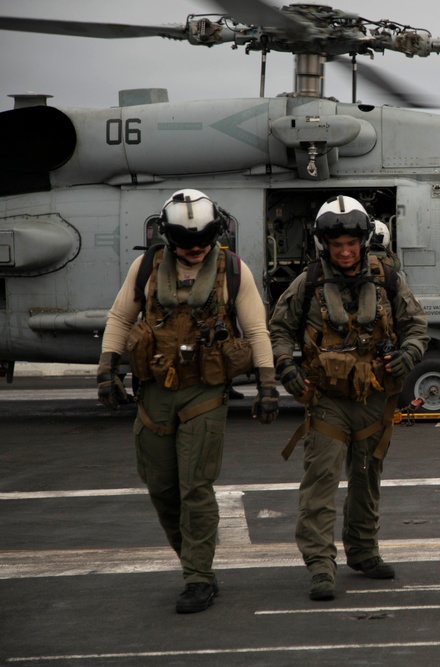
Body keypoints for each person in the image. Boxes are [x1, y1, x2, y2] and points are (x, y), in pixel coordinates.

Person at [97, 189, 279, 614]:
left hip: (204, 392)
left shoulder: (234, 271)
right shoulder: (145, 268)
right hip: (155, 391)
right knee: (161, 486)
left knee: (196, 485)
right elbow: (120, 317)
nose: (195, 250)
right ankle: (194, 562)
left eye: (202, 241)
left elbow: (256, 331)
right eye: (185, 243)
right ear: (168, 237)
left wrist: (267, 385)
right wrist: (106, 370)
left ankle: (198, 576)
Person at [268, 195, 428, 601]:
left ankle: (362, 551)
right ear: (325, 244)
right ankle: (321, 565)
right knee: (322, 478)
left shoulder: (388, 278)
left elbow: (416, 325)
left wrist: (408, 355)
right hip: (327, 398)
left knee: (367, 478)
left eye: (351, 244)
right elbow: (280, 329)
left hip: (374, 395)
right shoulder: (308, 283)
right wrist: (287, 369)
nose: (344, 252)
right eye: (336, 245)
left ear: (362, 242)